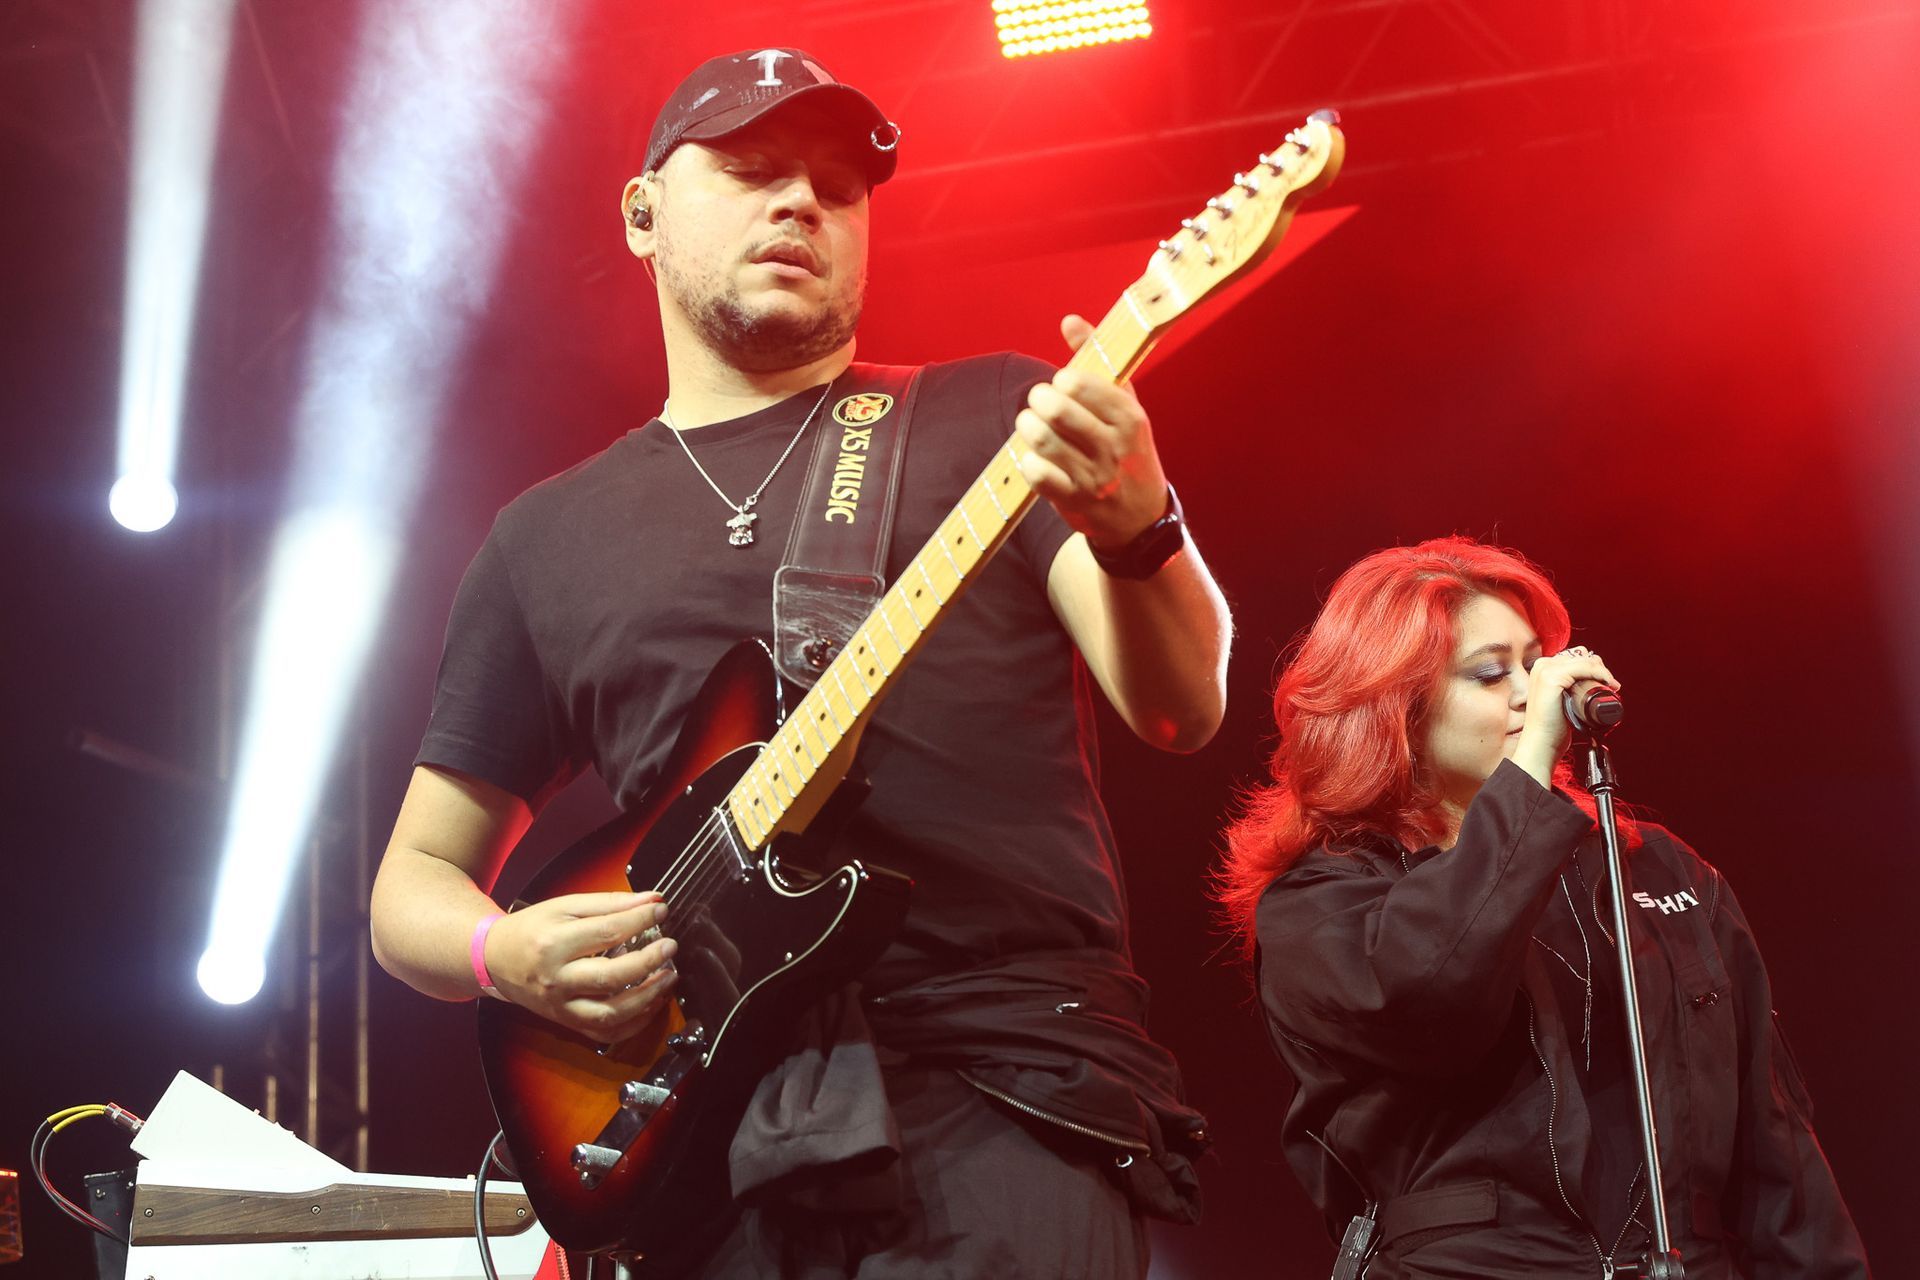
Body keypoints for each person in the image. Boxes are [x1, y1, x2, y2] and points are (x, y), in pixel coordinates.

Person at [368, 47, 1231, 1278]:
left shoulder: (994, 418)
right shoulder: (543, 539)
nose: (802, 204)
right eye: (753, 170)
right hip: (702, 1139)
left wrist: (1141, 527)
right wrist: (502, 953)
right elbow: (412, 885)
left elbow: (1181, 706)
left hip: (1009, 1097)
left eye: (838, 187)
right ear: (642, 213)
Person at [1215, 536, 1871, 1279]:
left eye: (1534, 663)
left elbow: (1777, 1149)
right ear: (1397, 708)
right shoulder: (1322, 902)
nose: (1534, 693)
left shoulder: (1656, 869)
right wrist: (1527, 779)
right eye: (1491, 673)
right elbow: (1430, 995)